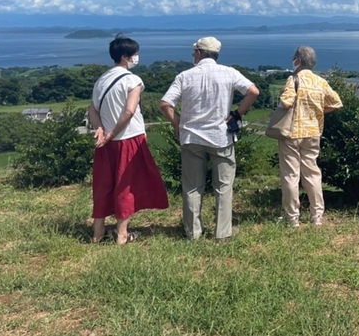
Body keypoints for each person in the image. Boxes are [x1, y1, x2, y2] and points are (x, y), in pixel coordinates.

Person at [160, 36, 259, 240]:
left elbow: (165, 104)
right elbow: (253, 91)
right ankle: (222, 233)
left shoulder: (184, 76)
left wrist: (177, 123)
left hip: (192, 137)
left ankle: (193, 232)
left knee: (193, 186)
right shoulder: (229, 73)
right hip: (220, 136)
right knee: (223, 186)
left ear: (198, 53)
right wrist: (237, 113)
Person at [88, 35, 169, 244]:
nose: (136, 58)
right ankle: (122, 233)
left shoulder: (101, 79)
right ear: (125, 57)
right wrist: (113, 133)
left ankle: (98, 232)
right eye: (134, 54)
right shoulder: (133, 80)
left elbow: (92, 109)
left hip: (104, 143)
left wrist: (100, 130)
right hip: (128, 138)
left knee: (104, 184)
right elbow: (130, 111)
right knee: (126, 185)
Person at [277, 45, 343, 227]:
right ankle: (317, 216)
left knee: (291, 175)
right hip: (313, 131)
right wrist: (318, 111)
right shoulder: (320, 82)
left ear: (298, 60)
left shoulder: (293, 79)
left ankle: (292, 218)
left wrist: (282, 94)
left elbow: (286, 102)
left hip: (292, 133)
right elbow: (337, 102)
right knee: (312, 173)